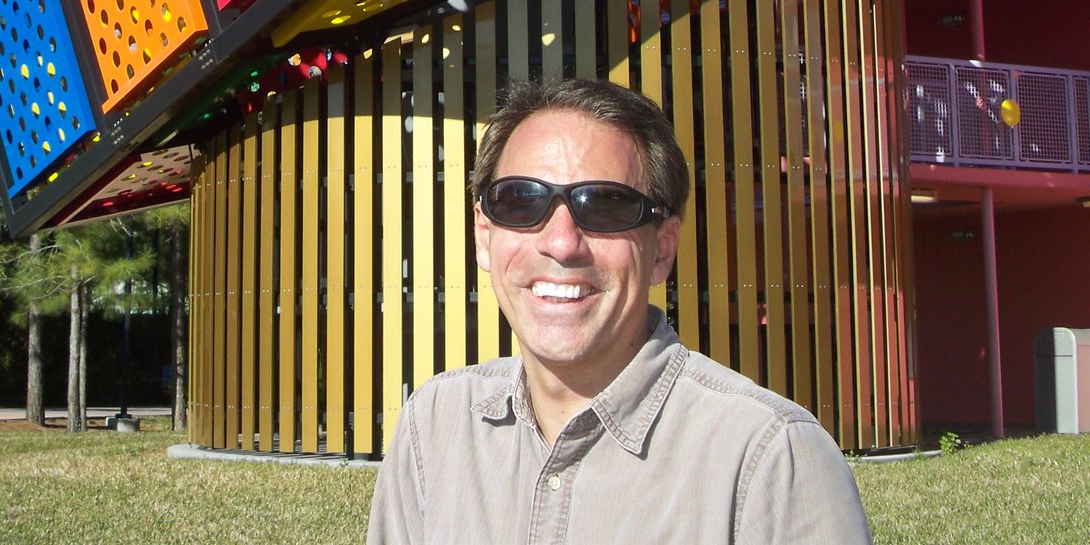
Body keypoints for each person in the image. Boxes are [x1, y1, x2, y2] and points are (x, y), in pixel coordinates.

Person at [367, 77, 872, 544]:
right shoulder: (434, 428)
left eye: (605, 205)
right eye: (521, 201)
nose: (561, 243)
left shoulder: (769, 461)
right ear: (484, 236)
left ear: (663, 249)